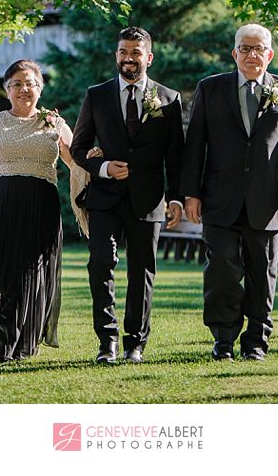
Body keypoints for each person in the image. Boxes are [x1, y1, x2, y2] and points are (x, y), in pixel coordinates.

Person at [181, 24, 278, 362]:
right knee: (222, 270)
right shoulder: (210, 89)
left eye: (258, 49)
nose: (252, 54)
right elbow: (194, 145)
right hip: (219, 200)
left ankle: (256, 341)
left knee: (262, 274)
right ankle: (223, 339)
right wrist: (190, 194)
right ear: (234, 53)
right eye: (245, 48)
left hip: (269, 203)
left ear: (269, 54)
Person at [70, 26, 185, 364]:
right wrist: (104, 168)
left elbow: (176, 157)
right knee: (100, 263)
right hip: (105, 197)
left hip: (148, 200)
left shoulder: (168, 99)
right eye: (123, 52)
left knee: (142, 272)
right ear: (116, 56)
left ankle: (136, 343)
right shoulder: (97, 95)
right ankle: (107, 341)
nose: (129, 58)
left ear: (148, 57)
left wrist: (176, 198)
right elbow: (78, 148)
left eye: (136, 53)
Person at [0, 60, 75, 363]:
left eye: (30, 83)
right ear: (7, 90)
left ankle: (22, 343)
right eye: (16, 84)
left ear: (40, 89)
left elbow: (75, 162)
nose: (24, 89)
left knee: (31, 274)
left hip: (40, 208)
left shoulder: (55, 123)